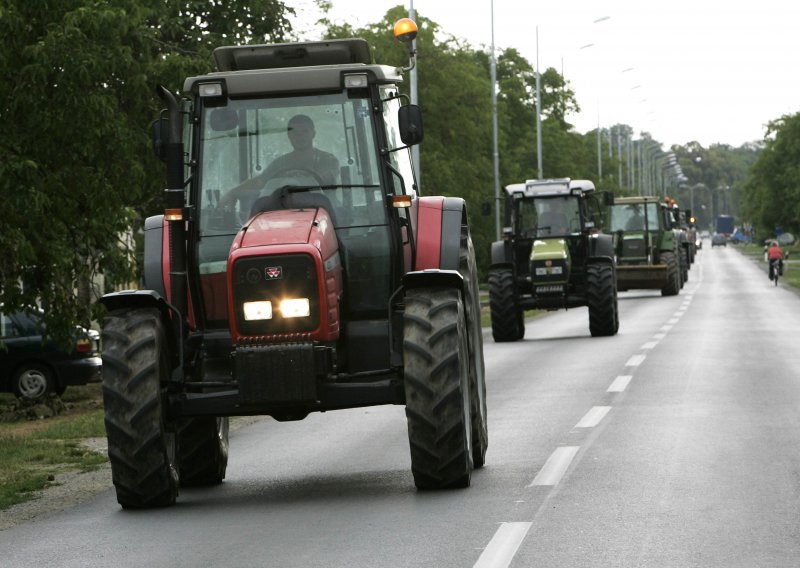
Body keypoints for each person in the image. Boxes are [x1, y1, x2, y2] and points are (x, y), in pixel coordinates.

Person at [218, 114, 339, 210]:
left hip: (324, 214)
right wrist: (232, 192)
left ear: (313, 133)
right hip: (286, 214)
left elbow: (326, 179)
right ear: (289, 135)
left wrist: (292, 181)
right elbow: (260, 181)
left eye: (304, 132)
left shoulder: (327, 160)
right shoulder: (281, 163)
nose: (299, 136)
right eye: (294, 132)